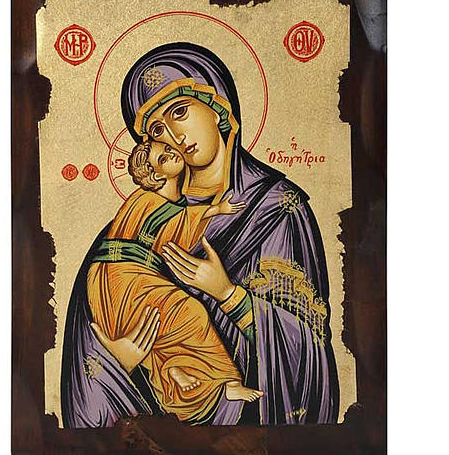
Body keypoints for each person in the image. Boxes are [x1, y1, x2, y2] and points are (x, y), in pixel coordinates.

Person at [61, 42, 339, 427]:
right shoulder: (131, 228)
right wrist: (119, 358)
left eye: (180, 111)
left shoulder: (278, 209)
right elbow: (90, 343)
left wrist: (227, 294)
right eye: (158, 130)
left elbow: (308, 347)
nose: (175, 135)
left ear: (217, 105)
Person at [86, 139, 261, 424]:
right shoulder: (144, 199)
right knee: (190, 313)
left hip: (132, 275)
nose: (171, 152)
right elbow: (175, 221)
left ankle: (173, 369)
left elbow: (176, 226)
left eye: (167, 149)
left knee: (158, 331)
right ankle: (227, 380)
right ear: (155, 175)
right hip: (121, 275)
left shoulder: (174, 204)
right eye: (163, 157)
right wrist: (216, 210)